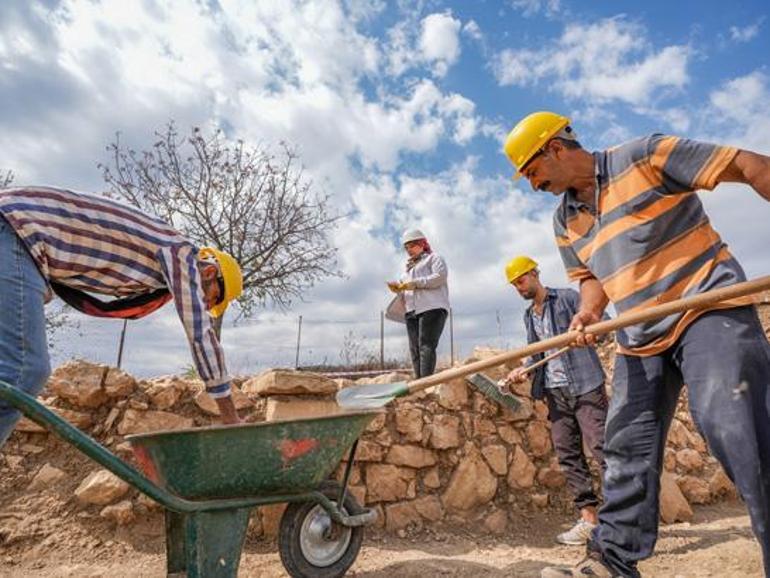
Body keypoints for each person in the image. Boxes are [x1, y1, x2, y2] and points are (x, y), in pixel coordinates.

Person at [503, 111, 770, 577]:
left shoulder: (643, 156)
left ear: (555, 148)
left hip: (705, 306)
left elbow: (747, 164)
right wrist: (588, 312)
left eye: (531, 171)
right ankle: (611, 562)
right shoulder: (564, 218)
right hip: (639, 334)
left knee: (732, 424)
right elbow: (592, 278)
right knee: (625, 447)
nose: (531, 185)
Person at [0, 185, 244, 448]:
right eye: (215, 298)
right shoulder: (182, 254)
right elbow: (200, 334)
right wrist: (230, 416)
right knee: (26, 370)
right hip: (17, 232)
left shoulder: (155, 261)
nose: (207, 305)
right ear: (209, 273)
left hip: (18, 235)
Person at [504, 255, 607, 546]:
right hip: (555, 391)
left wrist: (586, 332)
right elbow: (537, 354)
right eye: (514, 285)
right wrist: (523, 368)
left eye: (521, 280)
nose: (519, 288)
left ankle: (620, 521)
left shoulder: (568, 298)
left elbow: (602, 323)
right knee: (569, 455)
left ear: (535, 274)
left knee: (602, 448)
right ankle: (588, 520)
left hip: (586, 385)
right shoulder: (529, 316)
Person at [385, 229, 449, 378]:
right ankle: (419, 382)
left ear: (422, 244)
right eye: (406, 248)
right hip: (411, 311)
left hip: (432, 307)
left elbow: (439, 277)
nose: (409, 250)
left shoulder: (434, 258)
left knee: (426, 345)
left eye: (412, 246)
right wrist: (398, 288)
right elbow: (408, 288)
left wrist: (415, 283)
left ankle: (426, 383)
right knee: (414, 348)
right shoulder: (406, 271)